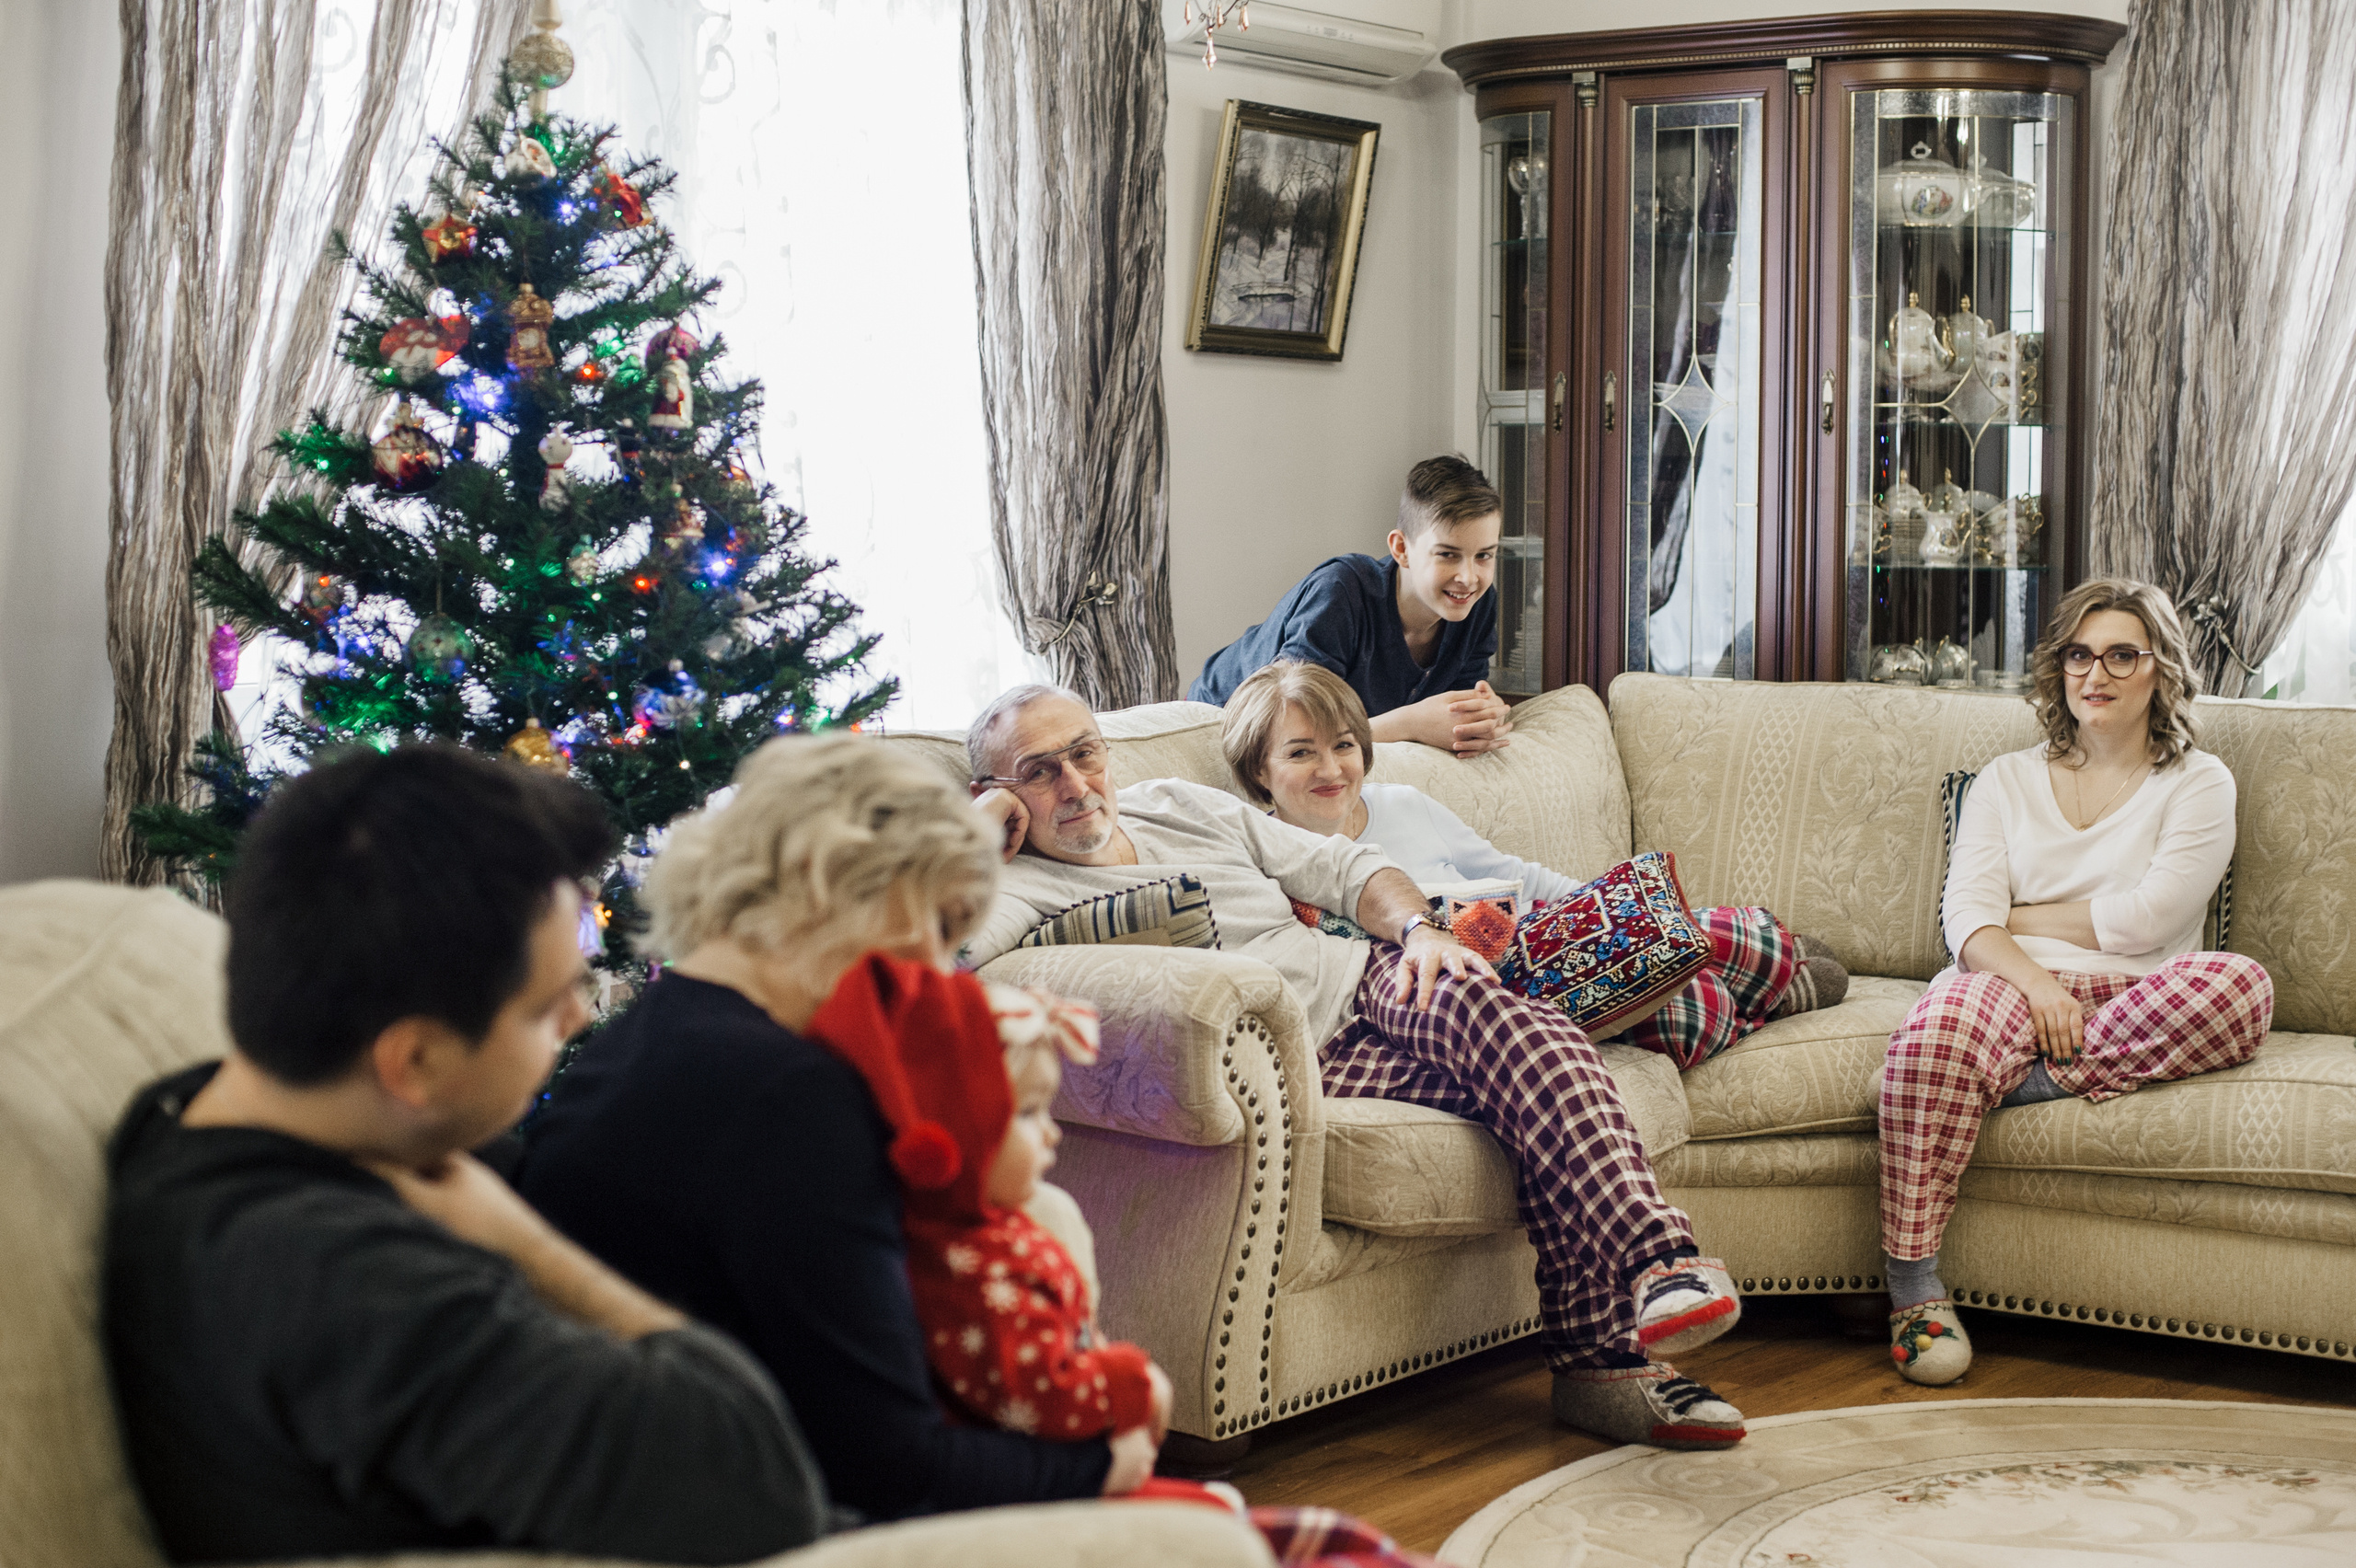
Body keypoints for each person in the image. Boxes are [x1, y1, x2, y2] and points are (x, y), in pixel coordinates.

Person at [964, 684, 1751, 1449]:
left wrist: (1419, 932)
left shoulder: (1177, 802)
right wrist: (973, 839)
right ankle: (1610, 1353)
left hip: (1375, 974)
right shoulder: (1013, 886)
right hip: (1307, 1056)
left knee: (1518, 1029)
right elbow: (932, 964)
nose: (1074, 784)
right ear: (994, 792)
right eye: (1037, 771)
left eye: (1085, 754)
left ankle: (1652, 1277)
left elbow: (1346, 870)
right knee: (1542, 1070)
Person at [103, 744, 827, 1567]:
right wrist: (524, 1242)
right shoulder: (332, 1276)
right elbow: (760, 1493)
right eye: (551, 1002)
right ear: (413, 1062)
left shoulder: (199, 1108)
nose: (579, 1022)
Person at [517, 733, 1156, 1519]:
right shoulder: (788, 1094)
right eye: (935, 926)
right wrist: (1102, 1465)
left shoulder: (645, 1037)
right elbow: (891, 1469)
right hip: (727, 1511)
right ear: (855, 889)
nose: (933, 969)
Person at [812, 951, 1447, 1568]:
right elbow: (1037, 1393)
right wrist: (1133, 1386)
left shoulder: (993, 1233)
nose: (1052, 1131)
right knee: (1274, 1535)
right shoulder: (968, 1269)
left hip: (1071, 1472)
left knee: (1327, 1535)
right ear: (953, 1138)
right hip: (1047, 1494)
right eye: (1030, 1115)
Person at [1879, 578, 2274, 1385]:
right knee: (1930, 1036)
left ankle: (2026, 1082)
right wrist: (2038, 985)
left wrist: (2019, 912)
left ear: (2159, 669)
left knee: (2242, 988)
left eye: (2122, 654)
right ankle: (1914, 1292)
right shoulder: (2005, 781)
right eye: (2079, 655)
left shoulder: (2199, 783)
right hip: (2015, 984)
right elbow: (1968, 928)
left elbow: (2150, 921)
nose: (2097, 673)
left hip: (2143, 1000)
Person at [1218, 661, 1850, 1068]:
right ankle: (1769, 987)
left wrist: (1616, 910)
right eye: (1301, 754)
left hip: (1542, 927)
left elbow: (1519, 875)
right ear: (1258, 770)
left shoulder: (1404, 805)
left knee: (1699, 936)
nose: (1330, 770)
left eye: (1344, 747)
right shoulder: (1269, 869)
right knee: (1690, 1015)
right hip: (1502, 987)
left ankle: (1758, 956)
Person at [1190, 454, 1517, 757]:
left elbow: (1460, 711)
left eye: (1484, 555)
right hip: (1221, 717)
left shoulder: (1480, 604)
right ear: (1401, 548)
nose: (1469, 577)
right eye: (1448, 554)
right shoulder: (1339, 593)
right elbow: (1296, 730)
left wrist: (1481, 718)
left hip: (1332, 727)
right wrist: (1412, 724)